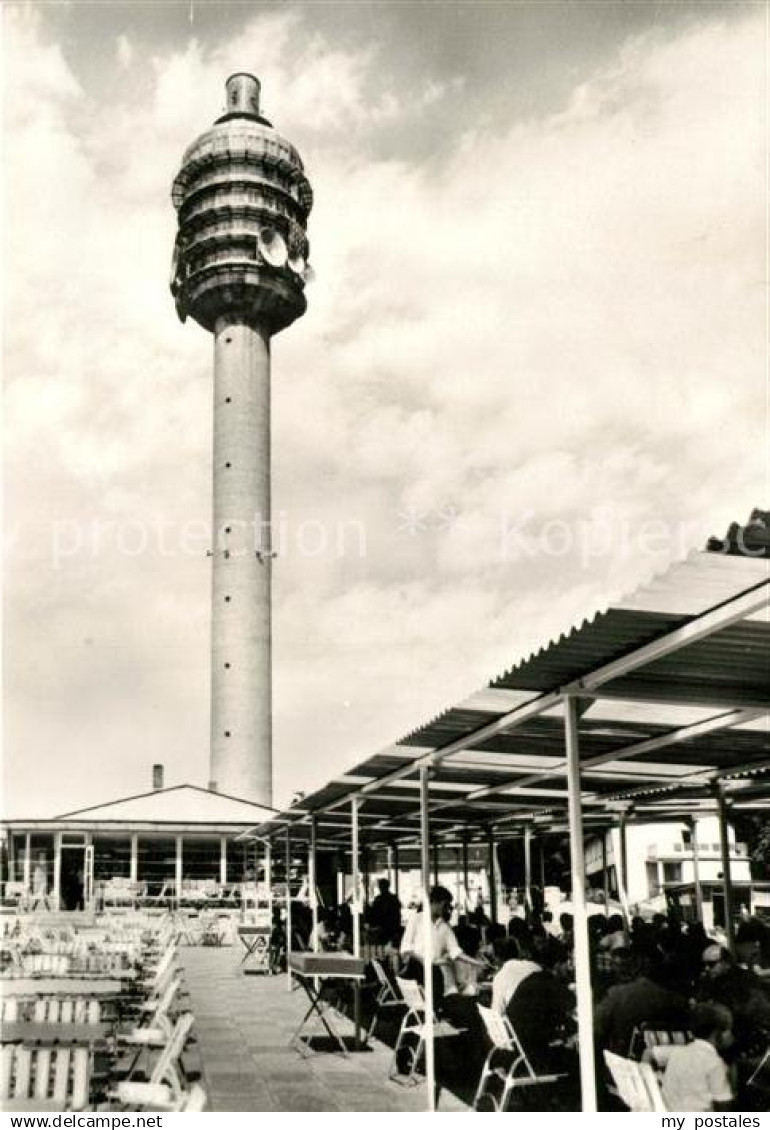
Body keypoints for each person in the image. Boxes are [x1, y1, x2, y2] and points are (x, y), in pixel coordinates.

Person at [399, 885, 485, 1008]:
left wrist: (477, 963)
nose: (447, 909)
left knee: (441, 980)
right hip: (417, 969)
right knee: (434, 973)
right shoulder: (416, 919)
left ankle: (439, 1009)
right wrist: (427, 961)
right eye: (445, 905)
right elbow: (406, 948)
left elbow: (456, 952)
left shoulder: (445, 927)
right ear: (435, 902)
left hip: (435, 974)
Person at [594, 947, 688, 1057]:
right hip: (664, 1059)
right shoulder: (674, 999)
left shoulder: (616, 996)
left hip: (623, 1059)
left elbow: (597, 1030)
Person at [661, 1003, 734, 1112]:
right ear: (717, 1033)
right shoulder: (715, 1063)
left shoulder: (678, 1052)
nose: (732, 1035)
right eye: (729, 1030)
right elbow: (724, 1105)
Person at [369, 878, 402, 946]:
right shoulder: (393, 898)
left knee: (382, 946)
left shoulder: (378, 899)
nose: (380, 888)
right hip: (389, 927)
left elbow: (374, 914)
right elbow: (398, 914)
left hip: (383, 928)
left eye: (381, 886)